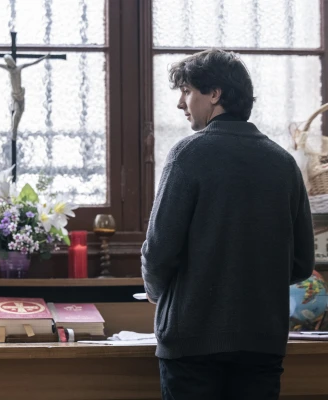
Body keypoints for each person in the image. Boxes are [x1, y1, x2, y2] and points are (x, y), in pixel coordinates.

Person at [140, 49, 315, 400]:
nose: (180, 103)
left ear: (215, 94)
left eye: (187, 91)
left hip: (192, 342)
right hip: (262, 343)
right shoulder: (284, 163)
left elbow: (159, 251)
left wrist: (158, 294)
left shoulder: (188, 155)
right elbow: (301, 263)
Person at [0, 52, 50, 140]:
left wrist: (45, 57)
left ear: (12, 61)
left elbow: (34, 62)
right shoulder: (9, 69)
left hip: (20, 94)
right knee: (17, 113)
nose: (9, 63)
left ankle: (14, 129)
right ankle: (14, 131)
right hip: (15, 96)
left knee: (20, 112)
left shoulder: (19, 68)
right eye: (7, 62)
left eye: (9, 61)